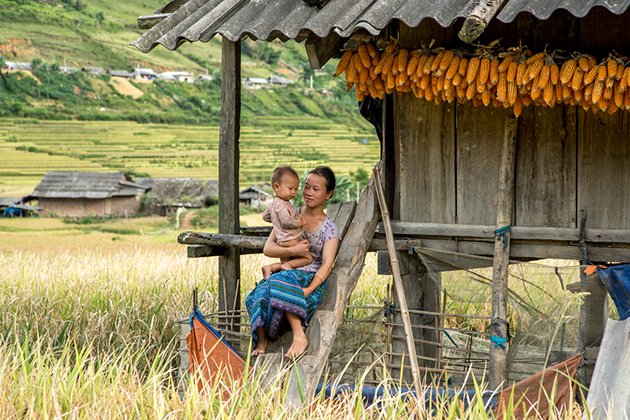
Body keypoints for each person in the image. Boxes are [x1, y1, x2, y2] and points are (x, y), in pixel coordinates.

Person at [245, 166, 341, 359]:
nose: (308, 193)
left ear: (328, 194)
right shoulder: (288, 214)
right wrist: (292, 251)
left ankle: (299, 336)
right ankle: (261, 342)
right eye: (306, 187)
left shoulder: (330, 229)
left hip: (308, 281)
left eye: (316, 189)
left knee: (280, 280)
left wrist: (309, 289)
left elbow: (326, 264)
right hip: (286, 275)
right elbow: (268, 249)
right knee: (255, 295)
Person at [261, 166, 312, 279]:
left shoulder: (273, 203)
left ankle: (269, 268)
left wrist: (275, 220)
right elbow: (286, 221)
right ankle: (286, 269)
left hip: (281, 241)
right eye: (290, 188)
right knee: (308, 258)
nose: (294, 192)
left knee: (285, 265)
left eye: (296, 189)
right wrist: (300, 222)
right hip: (290, 240)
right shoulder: (282, 204)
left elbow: (265, 216)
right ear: (277, 187)